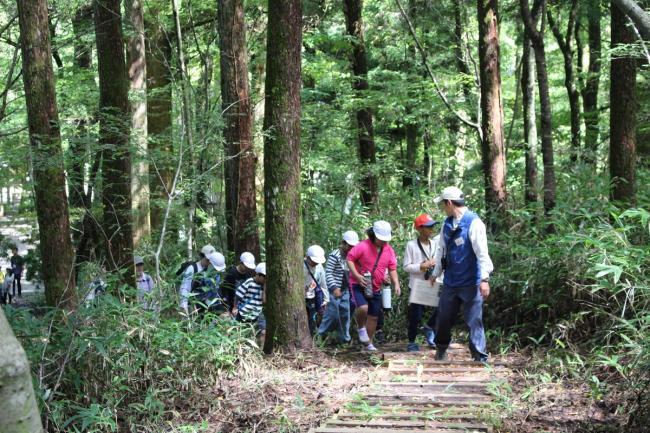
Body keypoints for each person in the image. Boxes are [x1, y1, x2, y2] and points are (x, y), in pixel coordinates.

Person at [431, 186, 494, 362]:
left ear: (449, 203)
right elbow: (441, 251)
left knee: (474, 320)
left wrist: (484, 279)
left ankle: (479, 355)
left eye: (444, 204)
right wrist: (436, 273)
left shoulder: (474, 223)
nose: (443, 208)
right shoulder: (446, 224)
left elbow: (482, 253)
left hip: (471, 282)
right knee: (443, 317)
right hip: (450, 281)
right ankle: (441, 348)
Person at [347, 220, 401, 352]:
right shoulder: (362, 246)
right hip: (359, 283)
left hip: (376, 286)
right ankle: (360, 327)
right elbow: (350, 259)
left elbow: (392, 268)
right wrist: (357, 276)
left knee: (373, 316)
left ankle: (368, 344)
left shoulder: (389, 250)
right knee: (364, 308)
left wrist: (396, 283)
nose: (383, 241)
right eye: (380, 239)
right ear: (373, 235)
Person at [403, 214, 443, 352]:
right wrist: (421, 266)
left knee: (442, 308)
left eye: (432, 226)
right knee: (416, 315)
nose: (432, 229)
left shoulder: (435, 244)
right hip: (418, 284)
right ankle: (412, 341)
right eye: (428, 226)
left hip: (433, 281)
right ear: (420, 228)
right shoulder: (411, 245)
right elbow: (406, 266)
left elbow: (439, 260)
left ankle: (431, 330)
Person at [318, 230, 359, 344]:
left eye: (353, 246)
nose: (351, 248)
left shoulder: (353, 257)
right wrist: (334, 287)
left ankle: (344, 339)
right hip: (334, 290)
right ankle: (320, 335)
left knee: (345, 314)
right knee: (332, 314)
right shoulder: (334, 256)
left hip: (345, 291)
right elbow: (328, 273)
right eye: (349, 246)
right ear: (343, 243)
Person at [179, 245, 226, 315]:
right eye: (207, 259)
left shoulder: (213, 270)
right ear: (203, 256)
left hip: (209, 304)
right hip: (195, 304)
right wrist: (184, 306)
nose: (208, 261)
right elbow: (185, 288)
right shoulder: (193, 269)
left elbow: (215, 290)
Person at [233, 262, 267, 344]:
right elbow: (238, 295)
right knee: (242, 333)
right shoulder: (249, 282)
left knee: (263, 332)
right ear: (258, 274)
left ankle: (260, 351)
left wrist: (265, 288)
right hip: (244, 312)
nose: (266, 279)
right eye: (264, 277)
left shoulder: (264, 286)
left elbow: (264, 301)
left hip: (258, 312)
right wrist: (235, 307)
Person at [304, 245, 330, 336]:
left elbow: (323, 284)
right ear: (308, 257)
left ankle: (312, 340)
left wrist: (326, 299)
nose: (316, 263)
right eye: (314, 260)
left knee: (312, 320)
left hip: (313, 298)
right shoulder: (300, 266)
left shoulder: (320, 267)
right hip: (301, 298)